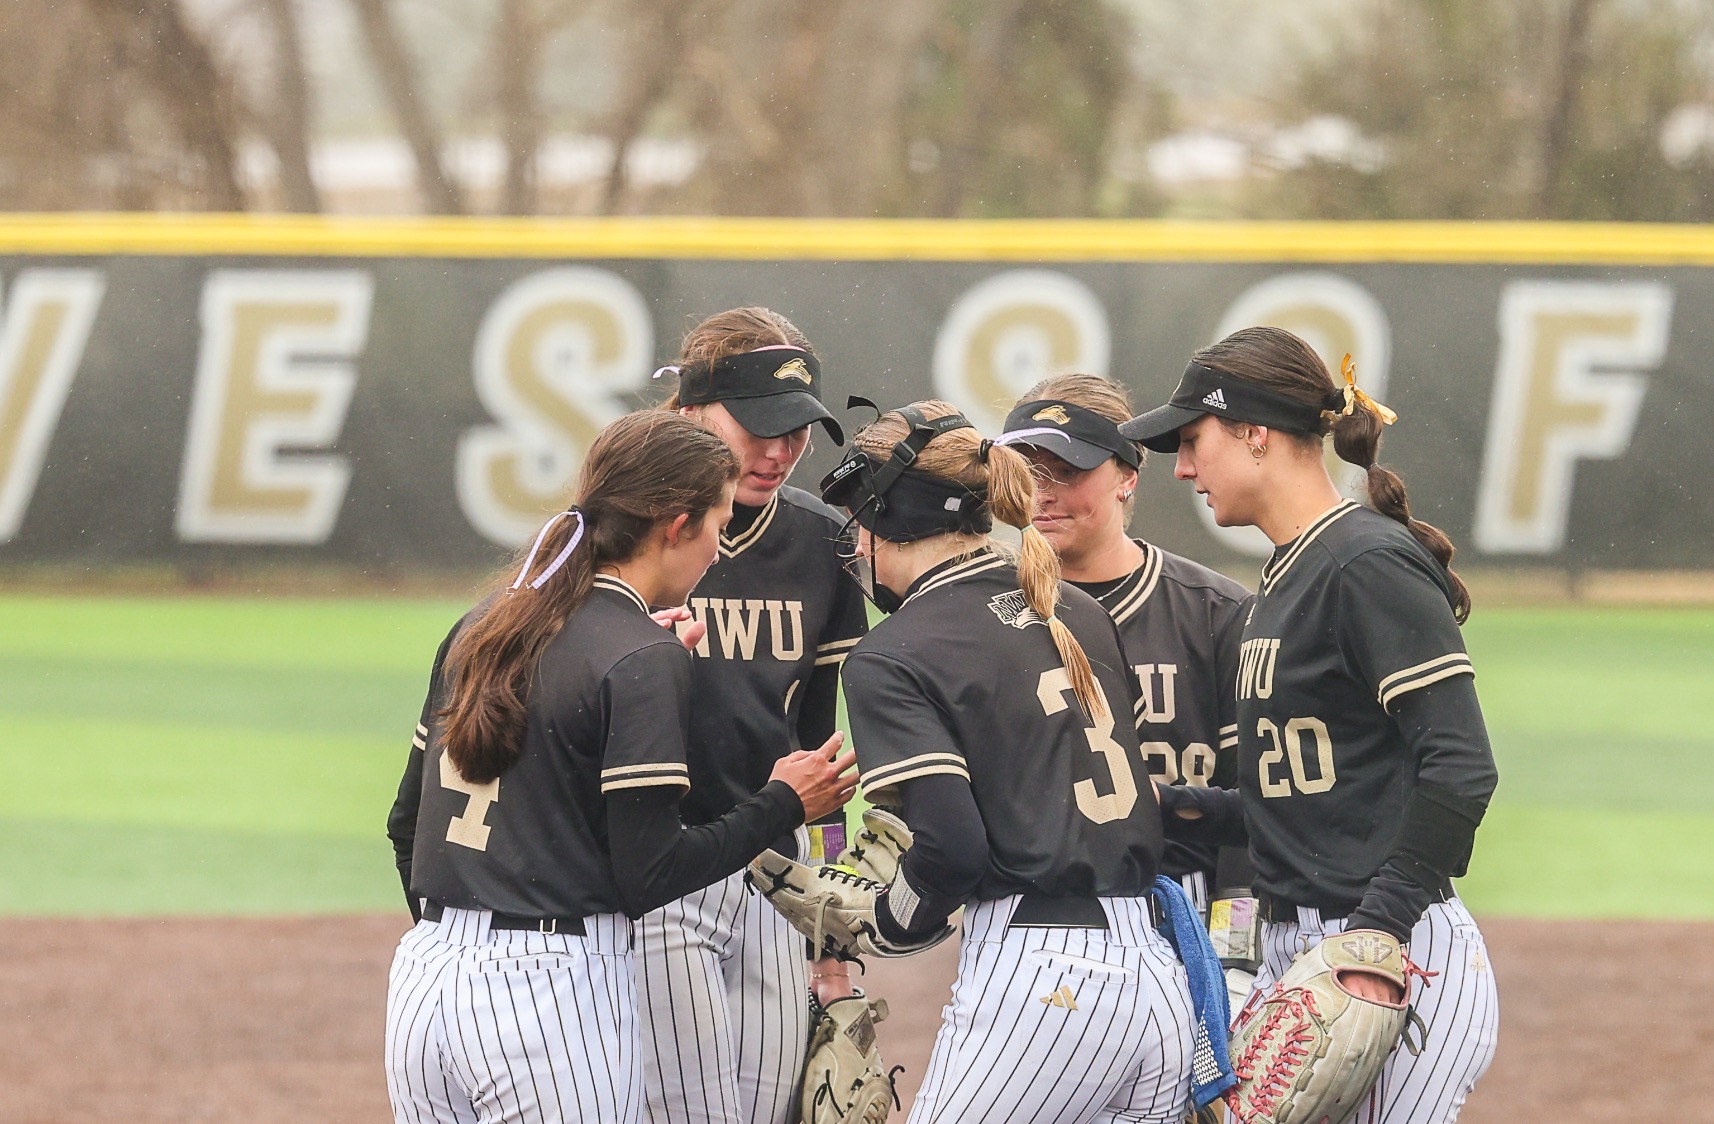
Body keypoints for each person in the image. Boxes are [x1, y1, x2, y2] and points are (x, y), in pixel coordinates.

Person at [384, 410, 857, 1123]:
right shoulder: (638, 658)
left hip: (425, 982)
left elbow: (405, 824)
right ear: (675, 525)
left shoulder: (488, 623)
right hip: (547, 997)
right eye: (718, 525)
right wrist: (785, 803)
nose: (720, 550)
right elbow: (651, 874)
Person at [1122, 328, 1500, 1123]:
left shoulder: (1364, 562)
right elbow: (1310, 795)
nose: (1183, 467)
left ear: (1255, 433)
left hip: (1390, 952)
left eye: (1193, 441)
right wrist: (1173, 803)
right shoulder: (1284, 577)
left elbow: (1461, 765)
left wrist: (1375, 939)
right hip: (1301, 947)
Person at [819, 399, 1198, 1123]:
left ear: (893, 518)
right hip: (1156, 973)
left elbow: (952, 849)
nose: (855, 538)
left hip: (1046, 983)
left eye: (861, 516)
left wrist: (888, 923)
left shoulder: (895, 652)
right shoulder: (1074, 608)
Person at [636, 308, 871, 1124]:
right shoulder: (627, 532)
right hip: (658, 868)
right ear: (693, 407)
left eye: (798, 431)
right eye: (759, 426)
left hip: (773, 876)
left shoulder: (825, 545)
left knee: (772, 1109)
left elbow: (823, 749)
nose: (779, 451)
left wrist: (830, 932)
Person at [994, 375, 1253, 919]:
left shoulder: (1215, 613)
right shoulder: (980, 614)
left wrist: (1235, 949)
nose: (1044, 492)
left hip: (1185, 905)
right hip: (1028, 916)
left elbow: (1252, 805)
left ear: (1127, 477)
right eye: (1027, 471)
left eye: (1068, 471)